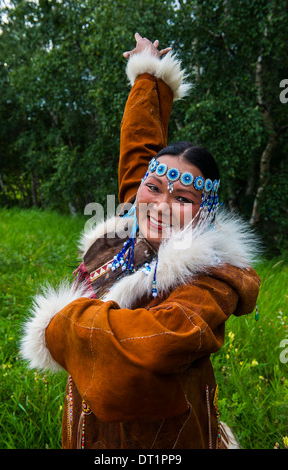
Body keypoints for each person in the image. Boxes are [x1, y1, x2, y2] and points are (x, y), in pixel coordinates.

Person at [21, 33, 261, 449]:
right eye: (154, 187)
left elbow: (152, 345)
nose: (161, 205)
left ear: (203, 211)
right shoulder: (135, 220)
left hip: (163, 439)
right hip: (87, 429)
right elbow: (140, 146)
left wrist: (60, 325)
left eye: (183, 197)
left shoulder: (212, 279)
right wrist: (150, 76)